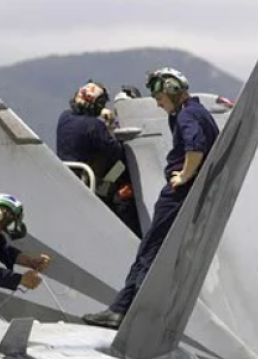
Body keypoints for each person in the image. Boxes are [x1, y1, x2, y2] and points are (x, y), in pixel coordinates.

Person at [81, 67, 220, 329]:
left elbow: (196, 148)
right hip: (188, 195)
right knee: (154, 251)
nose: (157, 102)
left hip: (177, 195)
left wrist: (184, 176)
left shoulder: (187, 115)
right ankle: (126, 309)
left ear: (172, 90)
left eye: (159, 96)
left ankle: (130, 312)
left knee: (149, 252)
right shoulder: (196, 112)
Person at [56, 80, 141, 236]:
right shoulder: (94, 126)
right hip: (92, 181)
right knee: (124, 181)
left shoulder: (65, 117)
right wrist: (111, 126)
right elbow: (117, 152)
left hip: (72, 178)